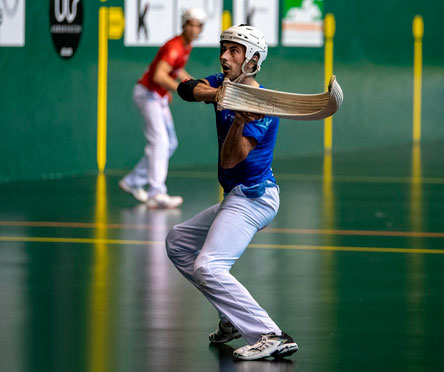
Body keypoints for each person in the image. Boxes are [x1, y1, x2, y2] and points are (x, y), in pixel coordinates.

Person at [166, 25, 298, 360]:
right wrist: (217, 95)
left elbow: (230, 159)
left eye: (234, 51)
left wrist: (239, 120)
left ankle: (271, 334)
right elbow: (184, 88)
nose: (225, 56)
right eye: (223, 48)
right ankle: (231, 318)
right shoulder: (221, 83)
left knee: (208, 267)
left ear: (253, 60)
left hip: (255, 197)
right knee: (178, 242)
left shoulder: (263, 106)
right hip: (235, 196)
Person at [119, 8, 206, 208]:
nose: (194, 29)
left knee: (170, 143)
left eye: (198, 26)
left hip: (158, 96)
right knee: (159, 142)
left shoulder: (186, 46)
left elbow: (176, 70)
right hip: (148, 94)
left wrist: (195, 85)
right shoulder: (174, 47)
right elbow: (159, 76)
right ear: (183, 24)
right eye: (190, 24)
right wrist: (183, 91)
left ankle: (133, 182)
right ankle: (156, 193)